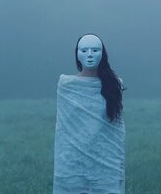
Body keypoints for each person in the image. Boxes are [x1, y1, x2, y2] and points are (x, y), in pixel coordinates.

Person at [53, 33, 126, 194]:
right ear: (77, 54)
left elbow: (117, 129)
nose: (90, 55)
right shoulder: (67, 85)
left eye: (95, 50)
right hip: (72, 161)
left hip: (106, 160)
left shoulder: (113, 84)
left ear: (102, 54)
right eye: (84, 50)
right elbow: (64, 129)